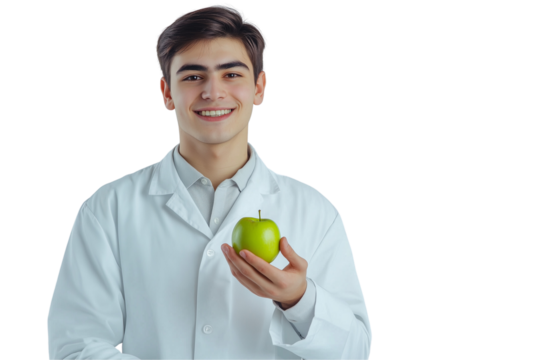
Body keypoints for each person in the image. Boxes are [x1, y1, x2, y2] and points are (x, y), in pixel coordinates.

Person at [46, 2, 372, 359]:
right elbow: (76, 347)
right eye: (192, 76)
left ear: (259, 88)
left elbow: (354, 351)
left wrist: (298, 298)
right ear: (167, 93)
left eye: (231, 74)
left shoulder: (315, 211)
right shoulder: (108, 208)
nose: (213, 92)